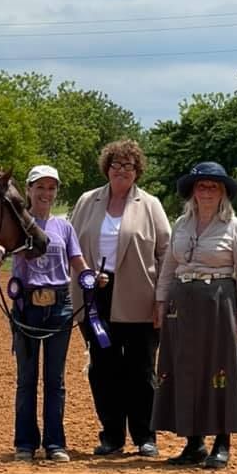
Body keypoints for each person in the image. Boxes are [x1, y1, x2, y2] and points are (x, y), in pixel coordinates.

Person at [70, 140, 171, 457]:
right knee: (103, 368)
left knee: (140, 369)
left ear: (137, 171)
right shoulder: (88, 201)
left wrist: (162, 297)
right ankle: (111, 434)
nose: (122, 171)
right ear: (106, 168)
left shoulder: (150, 205)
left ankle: (145, 435)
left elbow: (166, 252)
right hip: (95, 295)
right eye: (116, 164)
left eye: (129, 166)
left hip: (139, 296)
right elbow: (70, 244)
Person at [152, 162, 237, 469]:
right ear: (192, 192)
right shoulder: (181, 224)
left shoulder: (234, 227)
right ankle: (193, 442)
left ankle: (222, 443)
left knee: (219, 369)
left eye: (213, 186)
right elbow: (169, 265)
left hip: (218, 303)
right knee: (184, 368)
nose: (206, 191)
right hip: (182, 304)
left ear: (222, 192)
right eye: (201, 186)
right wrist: (160, 301)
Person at [0, 165, 87, 463]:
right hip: (26, 307)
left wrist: (92, 278)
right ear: (29, 190)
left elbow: (78, 262)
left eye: (51, 188)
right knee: (27, 378)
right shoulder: (19, 222)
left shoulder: (64, 227)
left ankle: (55, 443)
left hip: (59, 307)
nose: (46, 193)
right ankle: (25, 443)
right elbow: (3, 243)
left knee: (55, 380)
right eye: (40, 187)